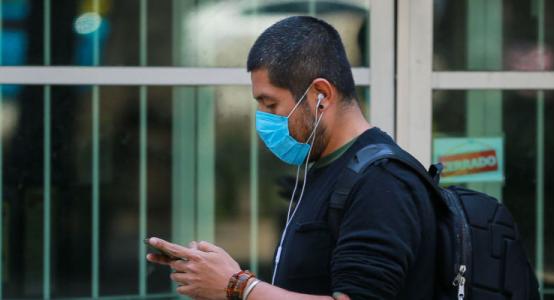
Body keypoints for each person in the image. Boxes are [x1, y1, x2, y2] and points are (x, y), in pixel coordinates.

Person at [147, 16, 437, 300]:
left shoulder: (381, 182)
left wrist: (238, 287)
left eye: (271, 104)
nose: (264, 120)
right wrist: (220, 276)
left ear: (321, 94)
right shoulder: (326, 169)